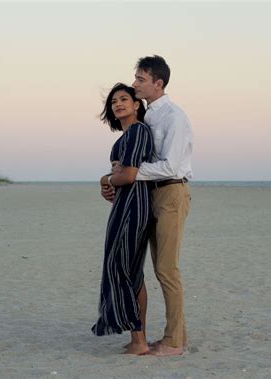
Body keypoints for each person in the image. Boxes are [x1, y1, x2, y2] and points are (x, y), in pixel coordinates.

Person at [102, 55, 193, 356]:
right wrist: (117, 176)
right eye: (136, 78)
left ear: (158, 83)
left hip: (170, 193)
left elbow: (170, 166)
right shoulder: (149, 116)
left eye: (141, 80)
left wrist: (126, 176)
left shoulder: (174, 117)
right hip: (149, 195)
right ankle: (175, 334)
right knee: (153, 268)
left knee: (167, 269)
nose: (136, 83)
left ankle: (174, 342)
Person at [92, 83, 154, 356]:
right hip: (123, 204)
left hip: (135, 206)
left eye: (124, 99)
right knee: (130, 271)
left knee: (124, 269)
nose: (118, 104)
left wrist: (106, 179)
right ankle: (137, 337)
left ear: (136, 104)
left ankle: (140, 341)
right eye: (114, 101)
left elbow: (128, 176)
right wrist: (110, 185)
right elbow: (121, 177)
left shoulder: (139, 131)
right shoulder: (124, 137)